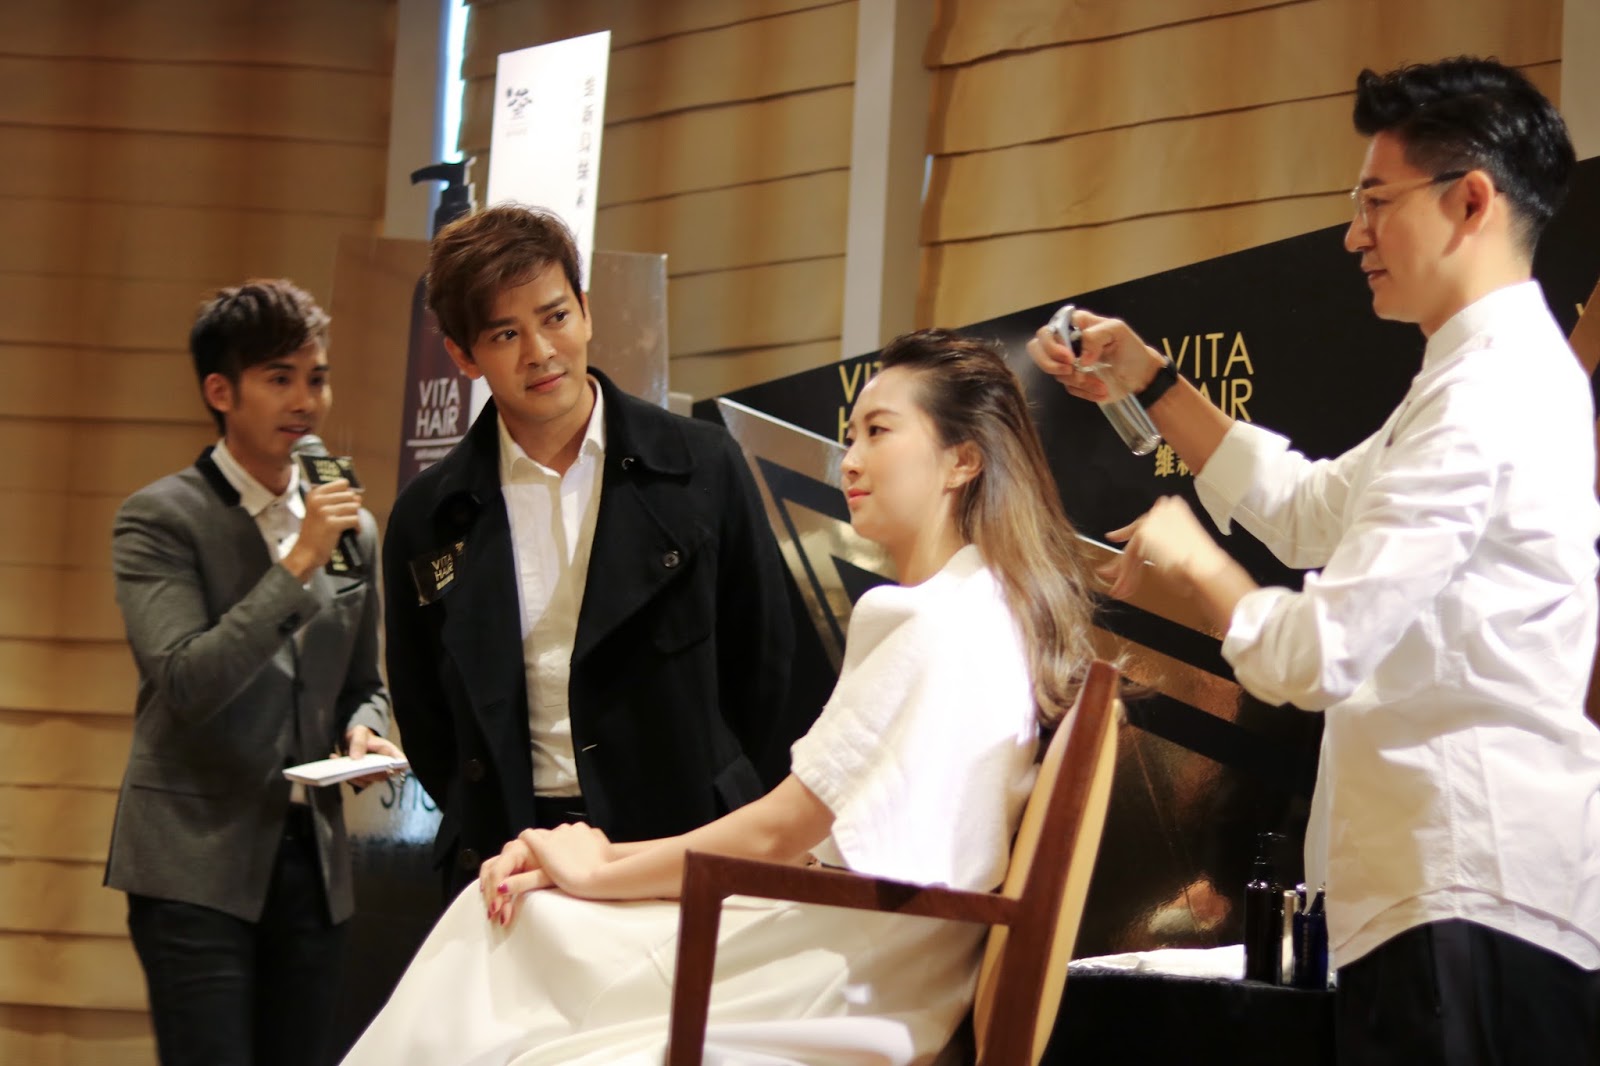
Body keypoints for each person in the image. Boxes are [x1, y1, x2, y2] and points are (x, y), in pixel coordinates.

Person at [1029, 56, 1600, 1063]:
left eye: (1376, 202)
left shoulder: (1487, 394)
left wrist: (1196, 566)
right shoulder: (1470, 379)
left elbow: (1323, 649)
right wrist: (1149, 379)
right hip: (1441, 891)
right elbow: (1307, 510)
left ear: (1470, 201)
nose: (1354, 235)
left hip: (1469, 885)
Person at [341, 329, 1098, 1065]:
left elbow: (780, 834)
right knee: (509, 928)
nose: (850, 459)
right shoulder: (982, 605)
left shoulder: (930, 621)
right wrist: (589, 859)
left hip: (837, 972)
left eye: (878, 432)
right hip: (859, 950)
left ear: (962, 459)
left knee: (499, 946)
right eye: (851, 435)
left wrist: (598, 870)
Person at [383, 205, 800, 897]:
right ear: (463, 355)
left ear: (585, 310)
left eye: (554, 317)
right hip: (511, 855)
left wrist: (723, 804)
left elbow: (768, 667)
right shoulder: (427, 516)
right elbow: (425, 712)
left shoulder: (701, 466)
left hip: (682, 839)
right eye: (505, 334)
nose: (540, 352)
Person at [105, 279, 402, 1066]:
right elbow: (186, 681)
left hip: (314, 862)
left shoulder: (349, 526)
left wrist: (365, 728)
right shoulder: (160, 519)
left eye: (317, 378)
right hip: (194, 864)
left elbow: (362, 680)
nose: (306, 401)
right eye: (279, 378)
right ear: (221, 391)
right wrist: (297, 564)